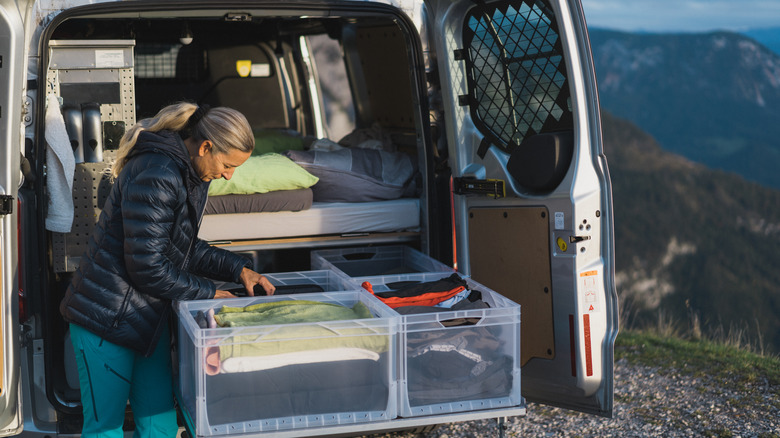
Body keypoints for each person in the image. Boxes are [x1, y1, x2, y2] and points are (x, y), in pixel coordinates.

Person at [60, 102, 275, 437]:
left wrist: (239, 270)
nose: (229, 175)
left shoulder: (189, 172)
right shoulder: (157, 172)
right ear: (205, 147)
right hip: (106, 318)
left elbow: (181, 247)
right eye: (228, 165)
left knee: (159, 424)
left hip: (147, 317)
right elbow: (147, 265)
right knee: (106, 429)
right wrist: (209, 292)